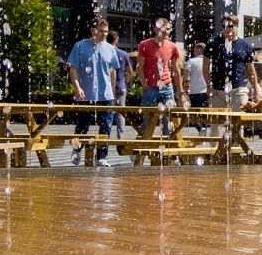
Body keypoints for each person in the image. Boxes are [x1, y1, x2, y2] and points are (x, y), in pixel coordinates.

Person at [67, 18, 128, 166]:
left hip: (105, 93)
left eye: (106, 32)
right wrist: (77, 88)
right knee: (82, 125)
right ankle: (77, 149)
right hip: (86, 93)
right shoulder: (80, 46)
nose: (104, 34)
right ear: (93, 30)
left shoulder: (110, 48)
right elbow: (73, 69)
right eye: (101, 31)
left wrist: (112, 92)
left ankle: (101, 156)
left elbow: (113, 71)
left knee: (105, 126)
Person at [205, 14, 262, 137]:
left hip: (239, 88)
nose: (227, 29)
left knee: (237, 121)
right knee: (215, 122)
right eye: (224, 26)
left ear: (237, 27)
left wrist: (256, 91)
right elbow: (205, 66)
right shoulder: (214, 43)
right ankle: (215, 151)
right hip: (218, 89)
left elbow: (251, 70)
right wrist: (209, 85)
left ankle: (236, 150)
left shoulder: (245, 46)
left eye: (230, 26)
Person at [136, 18, 184, 136]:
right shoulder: (144, 44)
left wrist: (181, 91)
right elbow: (139, 67)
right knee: (148, 120)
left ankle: (166, 150)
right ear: (155, 29)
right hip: (150, 87)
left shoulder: (172, 47)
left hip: (166, 87)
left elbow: (176, 69)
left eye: (168, 29)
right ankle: (140, 148)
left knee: (168, 120)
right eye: (163, 29)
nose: (166, 32)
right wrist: (144, 84)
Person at [184, 42, 208, 132]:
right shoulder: (209, 61)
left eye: (194, 49)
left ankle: (199, 127)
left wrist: (185, 89)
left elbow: (186, 77)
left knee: (193, 113)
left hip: (194, 91)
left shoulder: (191, 61)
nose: (193, 51)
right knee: (204, 113)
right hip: (206, 91)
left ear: (199, 49)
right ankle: (204, 130)